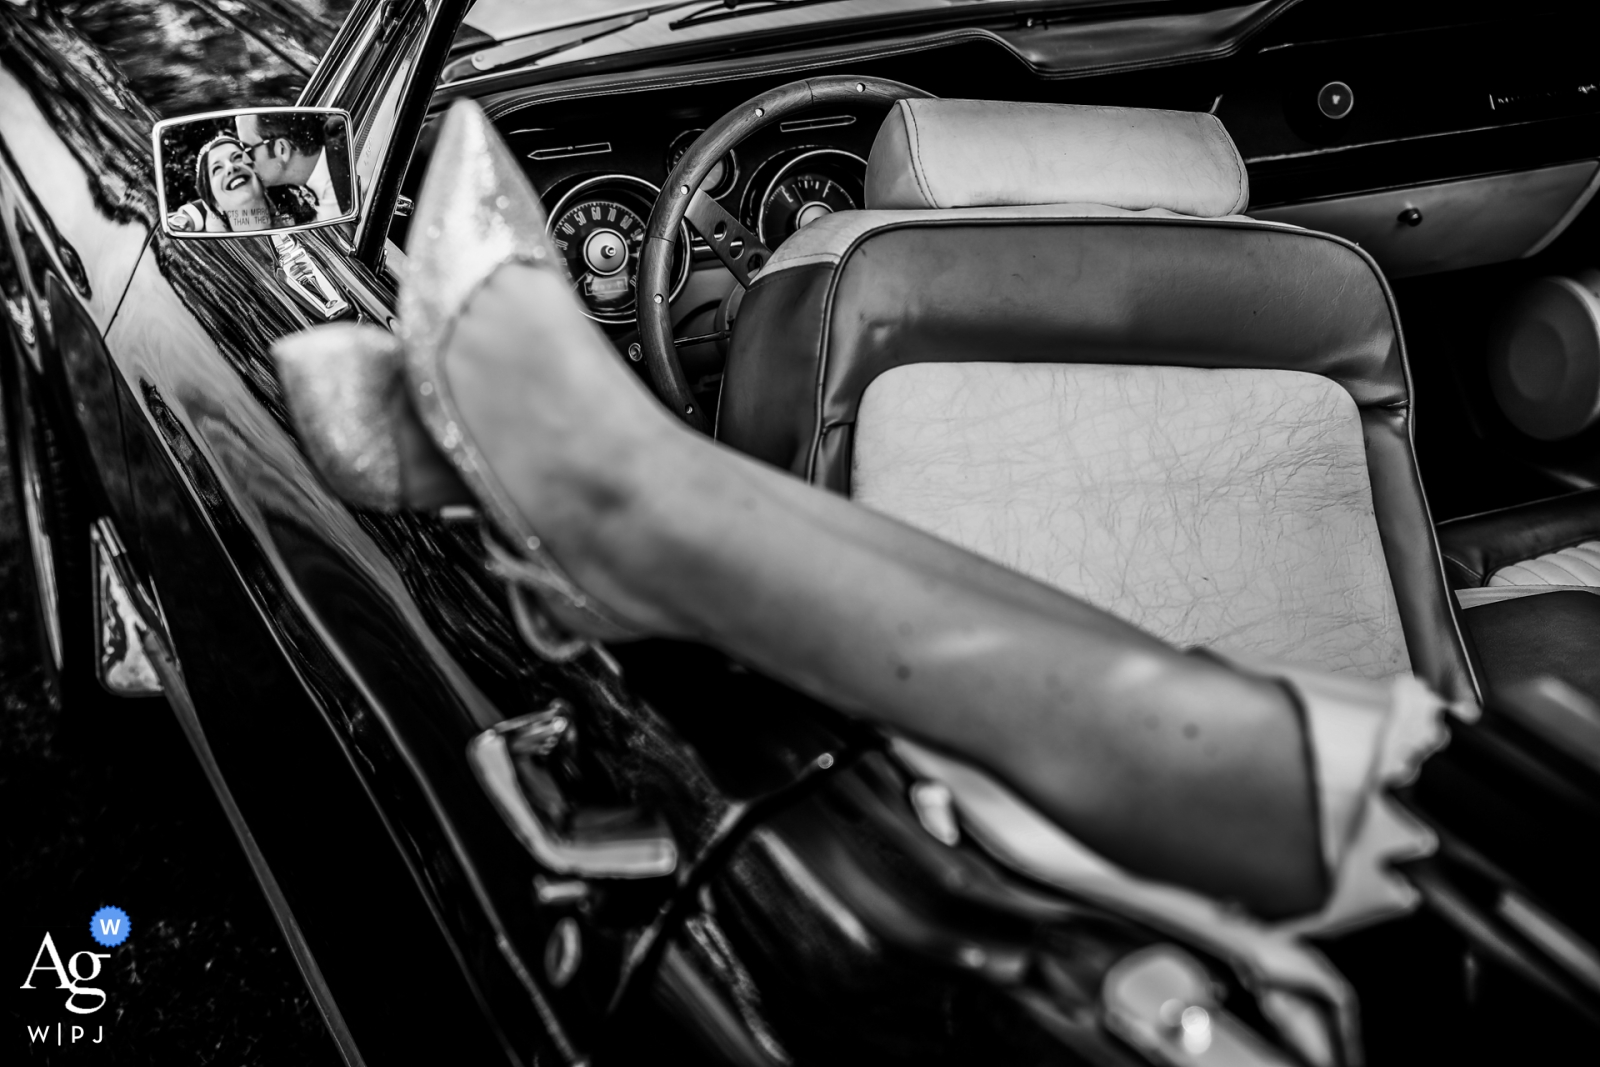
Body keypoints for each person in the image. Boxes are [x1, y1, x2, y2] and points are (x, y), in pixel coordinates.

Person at [272, 101, 1448, 923]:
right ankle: (632, 503)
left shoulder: (855, 276)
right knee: (1340, 790)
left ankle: (638, 501)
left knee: (1317, 791)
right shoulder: (1319, 286)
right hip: (1437, 805)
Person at [236, 112, 351, 223]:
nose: (245, 160)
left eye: (248, 150)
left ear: (282, 149)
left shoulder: (353, 168)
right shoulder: (292, 193)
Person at [167, 135, 276, 233]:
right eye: (217, 168)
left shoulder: (291, 204)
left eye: (238, 157)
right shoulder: (216, 251)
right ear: (214, 202)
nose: (231, 167)